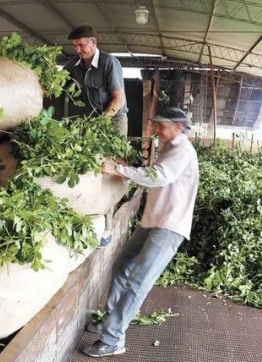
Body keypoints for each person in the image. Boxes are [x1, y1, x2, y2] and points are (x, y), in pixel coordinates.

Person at [81, 107, 199, 358]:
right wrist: (129, 167)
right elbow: (153, 174)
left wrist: (120, 171)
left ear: (178, 127)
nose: (157, 130)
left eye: (161, 126)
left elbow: (158, 176)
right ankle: (110, 320)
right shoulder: (168, 147)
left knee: (138, 281)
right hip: (152, 221)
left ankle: (113, 339)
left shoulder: (182, 150)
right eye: (156, 125)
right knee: (122, 266)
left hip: (169, 227)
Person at [64, 25, 129, 247]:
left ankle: (108, 225)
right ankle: (86, 210)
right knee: (88, 164)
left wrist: (102, 123)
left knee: (110, 167)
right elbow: (56, 82)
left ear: (94, 42)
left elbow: (118, 98)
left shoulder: (109, 63)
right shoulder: (74, 65)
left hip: (113, 120)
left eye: (82, 45)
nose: (78, 50)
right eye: (75, 46)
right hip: (91, 122)